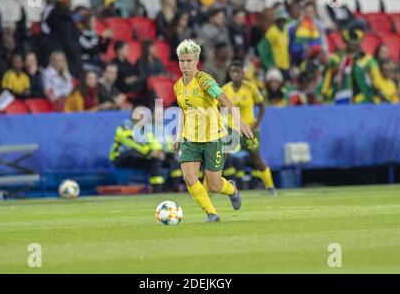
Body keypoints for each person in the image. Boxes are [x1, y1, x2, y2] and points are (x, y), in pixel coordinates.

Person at [171, 39, 253, 222]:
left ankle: (232, 190)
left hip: (212, 137)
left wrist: (240, 122)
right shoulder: (177, 86)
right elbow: (183, 113)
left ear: (196, 61)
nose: (185, 65)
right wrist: (178, 137)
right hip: (190, 138)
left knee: (215, 185)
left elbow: (224, 99)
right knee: (189, 177)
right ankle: (212, 213)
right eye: (182, 61)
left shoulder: (205, 80)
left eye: (189, 61)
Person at [221, 61, 276, 196]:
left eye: (237, 72)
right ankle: (213, 186)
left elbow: (262, 106)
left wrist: (255, 125)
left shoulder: (251, 88)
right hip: (230, 129)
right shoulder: (224, 89)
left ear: (243, 73)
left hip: (248, 128)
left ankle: (270, 187)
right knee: (221, 157)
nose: (235, 74)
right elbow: (217, 107)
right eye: (232, 72)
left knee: (256, 159)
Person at [109, 116, 166, 193]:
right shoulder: (125, 127)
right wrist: (150, 152)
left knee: (156, 159)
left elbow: (153, 142)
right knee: (133, 152)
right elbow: (131, 142)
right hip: (119, 157)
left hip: (139, 156)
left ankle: (158, 190)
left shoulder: (146, 129)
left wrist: (158, 151)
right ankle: (127, 184)